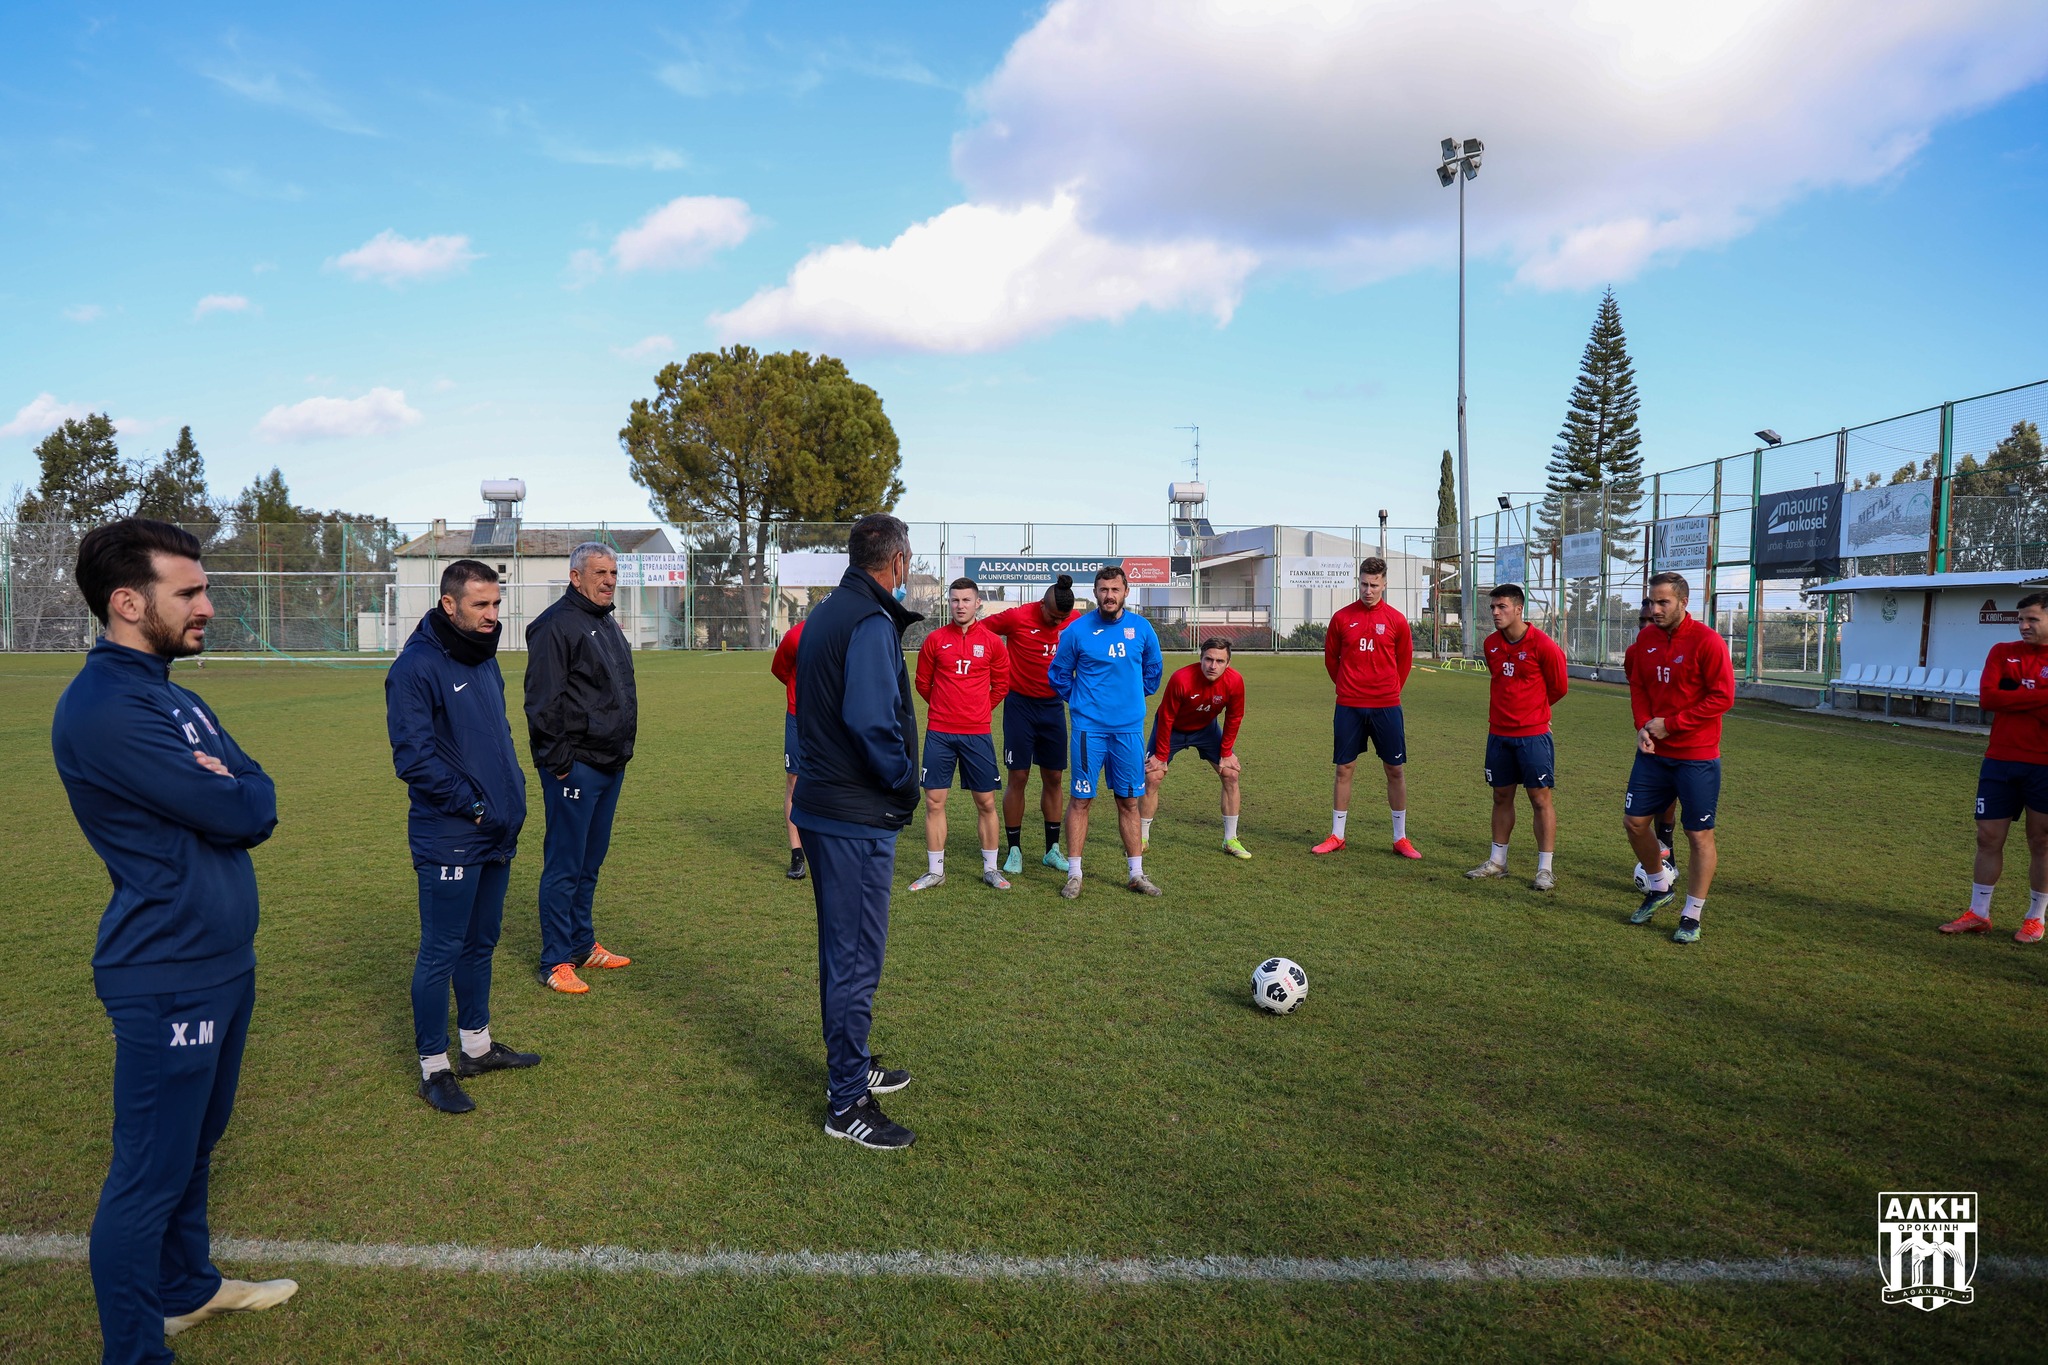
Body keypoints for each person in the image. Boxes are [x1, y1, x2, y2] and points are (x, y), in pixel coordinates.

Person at [51, 519, 298, 1364]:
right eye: (188, 592)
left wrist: (234, 785)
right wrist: (230, 788)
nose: (208, 606)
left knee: (197, 1142)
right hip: (166, 971)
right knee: (147, 1174)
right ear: (127, 602)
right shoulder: (106, 705)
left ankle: (186, 1288)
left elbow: (258, 794)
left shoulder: (177, 695)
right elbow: (238, 808)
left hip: (223, 960)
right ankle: (135, 1348)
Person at [386, 559, 541, 1114]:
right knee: (441, 951)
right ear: (449, 604)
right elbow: (415, 759)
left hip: (495, 829)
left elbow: (492, 740)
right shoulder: (416, 667)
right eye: (480, 605)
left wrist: (505, 800)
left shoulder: (484, 659)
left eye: (496, 604)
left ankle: (476, 1046)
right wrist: (475, 805)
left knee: (481, 944)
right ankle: (434, 1067)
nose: (492, 615)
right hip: (452, 833)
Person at [793, 514, 924, 1150]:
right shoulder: (866, 620)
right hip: (852, 816)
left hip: (832, 808)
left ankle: (855, 1058)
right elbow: (874, 723)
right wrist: (904, 781)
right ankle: (846, 1100)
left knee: (846, 952)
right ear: (897, 562)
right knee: (854, 958)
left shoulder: (830, 611)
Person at [524, 541, 637, 994]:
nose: (609, 580)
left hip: (611, 763)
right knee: (565, 864)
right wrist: (560, 765)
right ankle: (554, 961)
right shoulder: (555, 626)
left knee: (590, 861)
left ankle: (582, 943)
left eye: (613, 573)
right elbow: (542, 703)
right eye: (599, 573)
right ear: (576, 577)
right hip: (577, 768)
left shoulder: (604, 621)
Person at [1624, 572, 1736, 943]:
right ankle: (1659, 886)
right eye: (1651, 602)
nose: (1654, 610)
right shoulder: (1646, 638)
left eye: (1663, 603)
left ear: (1684, 602)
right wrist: (1644, 725)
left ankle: (1692, 914)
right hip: (1654, 755)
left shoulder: (1707, 641)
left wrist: (1671, 725)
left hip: (1697, 756)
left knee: (1698, 834)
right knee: (1634, 823)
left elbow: (1723, 697)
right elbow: (1639, 685)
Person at [1048, 565, 1165, 897]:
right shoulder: (1077, 631)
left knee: (1129, 800)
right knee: (1081, 799)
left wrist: (1127, 699)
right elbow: (1058, 675)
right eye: (1103, 590)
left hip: (1128, 730)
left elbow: (1153, 671)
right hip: (1089, 730)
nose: (1109, 595)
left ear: (1126, 592)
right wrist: (1083, 701)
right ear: (1095, 593)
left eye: (1115, 589)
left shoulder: (1142, 629)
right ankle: (1074, 874)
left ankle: (1136, 874)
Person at [1939, 591, 2048, 942]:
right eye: (2020, 619)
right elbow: (1989, 698)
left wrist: (2013, 694)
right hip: (1999, 760)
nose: (2023, 626)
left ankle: (2035, 917)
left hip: (2044, 765)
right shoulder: (2002, 652)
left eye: (2032, 619)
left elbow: (2004, 697)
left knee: (2041, 841)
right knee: (1987, 837)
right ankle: (1978, 913)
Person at [910, 578, 1014, 891]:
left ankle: (991, 869)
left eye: (966, 600)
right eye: (955, 600)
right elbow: (923, 684)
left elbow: (1002, 685)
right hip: (940, 732)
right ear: (949, 603)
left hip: (977, 733)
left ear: (977, 602)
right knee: (934, 802)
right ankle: (935, 871)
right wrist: (946, 707)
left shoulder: (993, 642)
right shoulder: (935, 640)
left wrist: (978, 709)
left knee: (985, 802)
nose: (960, 606)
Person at [1465, 584, 1569, 890]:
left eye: (1502, 607)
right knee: (1500, 796)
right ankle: (1498, 862)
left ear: (1519, 609)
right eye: (1493, 608)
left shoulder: (1544, 645)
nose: (1495, 613)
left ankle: (1545, 869)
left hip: (1533, 736)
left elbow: (1559, 687)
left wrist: (1534, 712)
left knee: (1539, 799)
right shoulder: (1491, 645)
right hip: (1498, 734)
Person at [1315, 556, 1420, 859]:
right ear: (1358, 582)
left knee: (1395, 770)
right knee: (1344, 768)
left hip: (1387, 705)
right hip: (1349, 705)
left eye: (1374, 585)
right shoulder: (1342, 618)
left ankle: (1400, 838)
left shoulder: (1397, 620)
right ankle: (1337, 835)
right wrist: (1349, 687)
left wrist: (1387, 690)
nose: (1368, 590)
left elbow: (1404, 662)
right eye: (1364, 584)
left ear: (1384, 584)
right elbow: (1331, 660)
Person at [985, 575, 1083, 876]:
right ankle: (1014, 850)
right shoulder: (1017, 617)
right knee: (1019, 775)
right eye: (1053, 617)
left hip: (1053, 706)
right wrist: (995, 668)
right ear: (1042, 605)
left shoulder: (1076, 620)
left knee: (1054, 776)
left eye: (1062, 619)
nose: (1057, 623)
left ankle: (1052, 850)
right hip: (1019, 706)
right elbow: (982, 632)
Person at [1141, 637, 1251, 859]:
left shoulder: (1235, 681)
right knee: (1153, 776)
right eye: (1209, 659)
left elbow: (1235, 715)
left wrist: (1227, 752)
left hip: (1205, 729)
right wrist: (1161, 756)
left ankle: (1230, 840)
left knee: (1230, 774)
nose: (1213, 666)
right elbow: (1166, 716)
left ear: (1228, 663)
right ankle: (1141, 837)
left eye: (1220, 661)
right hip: (1171, 729)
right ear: (1200, 658)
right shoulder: (1181, 678)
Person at [1622, 597, 1678, 880]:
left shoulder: (1682, 645)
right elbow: (1636, 687)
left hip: (1681, 736)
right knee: (1640, 810)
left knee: (1673, 799)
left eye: (1650, 619)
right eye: (1641, 621)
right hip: (1649, 736)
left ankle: (1667, 845)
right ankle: (1659, 860)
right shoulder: (1635, 652)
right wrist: (1642, 724)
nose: (1646, 625)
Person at [770, 615, 808, 880]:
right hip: (798, 717)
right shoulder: (795, 636)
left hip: (831, 721)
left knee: (832, 780)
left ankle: (826, 848)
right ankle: (797, 855)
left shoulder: (844, 634)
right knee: (794, 781)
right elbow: (780, 670)